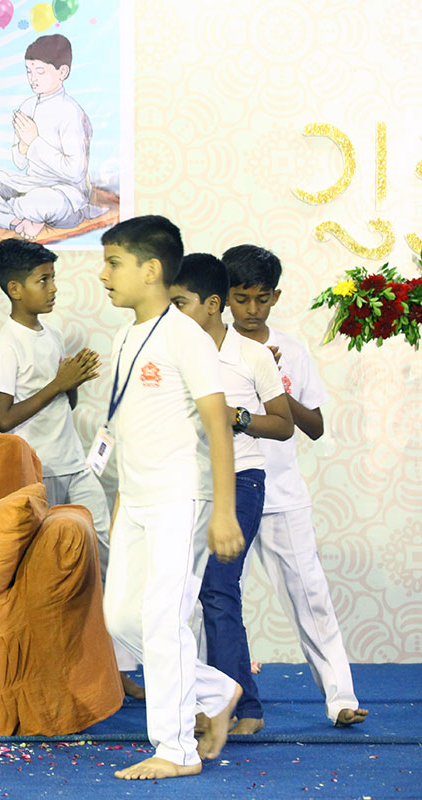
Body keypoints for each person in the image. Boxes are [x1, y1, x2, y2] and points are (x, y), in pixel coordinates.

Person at [97, 215, 243, 780]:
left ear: (151, 269)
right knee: (120, 619)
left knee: (163, 619)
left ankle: (176, 748)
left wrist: (224, 511)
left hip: (182, 498)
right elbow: (125, 428)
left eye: (114, 263)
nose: (104, 274)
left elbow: (218, 426)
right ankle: (216, 691)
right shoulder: (124, 337)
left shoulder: (187, 336)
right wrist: (120, 506)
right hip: (135, 499)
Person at [0, 239, 146, 694]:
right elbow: (3, 419)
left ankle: (118, 668)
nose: (53, 288)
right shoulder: (5, 346)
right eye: (43, 280)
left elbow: (63, 403)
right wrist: (60, 383)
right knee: (51, 572)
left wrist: (72, 381)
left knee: (108, 561)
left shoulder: (51, 335)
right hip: (39, 474)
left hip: (76, 466)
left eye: (53, 278)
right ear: (15, 289)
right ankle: (49, 673)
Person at [223, 244, 367, 727]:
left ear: (276, 297)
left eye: (262, 299)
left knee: (312, 595)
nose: (252, 309)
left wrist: (272, 383)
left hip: (283, 494)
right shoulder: (212, 349)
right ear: (224, 296)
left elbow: (315, 427)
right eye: (241, 298)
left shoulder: (293, 351)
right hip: (231, 491)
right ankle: (215, 702)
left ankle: (340, 698)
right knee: (218, 599)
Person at [169, 253, 294, 735]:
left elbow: (283, 425)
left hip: (242, 480)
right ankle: (216, 701)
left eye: (180, 302)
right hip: (189, 483)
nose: (173, 312)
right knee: (189, 594)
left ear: (211, 304)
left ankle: (246, 708)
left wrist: (238, 418)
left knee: (218, 589)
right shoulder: (174, 350)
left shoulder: (252, 354)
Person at [0, 33, 106, 238]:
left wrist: (34, 141)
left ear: (62, 72)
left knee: (39, 202)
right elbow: (19, 163)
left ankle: (4, 209)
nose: (33, 78)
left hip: (63, 193)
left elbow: (75, 172)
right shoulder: (27, 106)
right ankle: (15, 220)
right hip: (30, 184)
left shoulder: (72, 113)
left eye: (40, 71)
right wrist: (24, 146)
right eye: (29, 71)